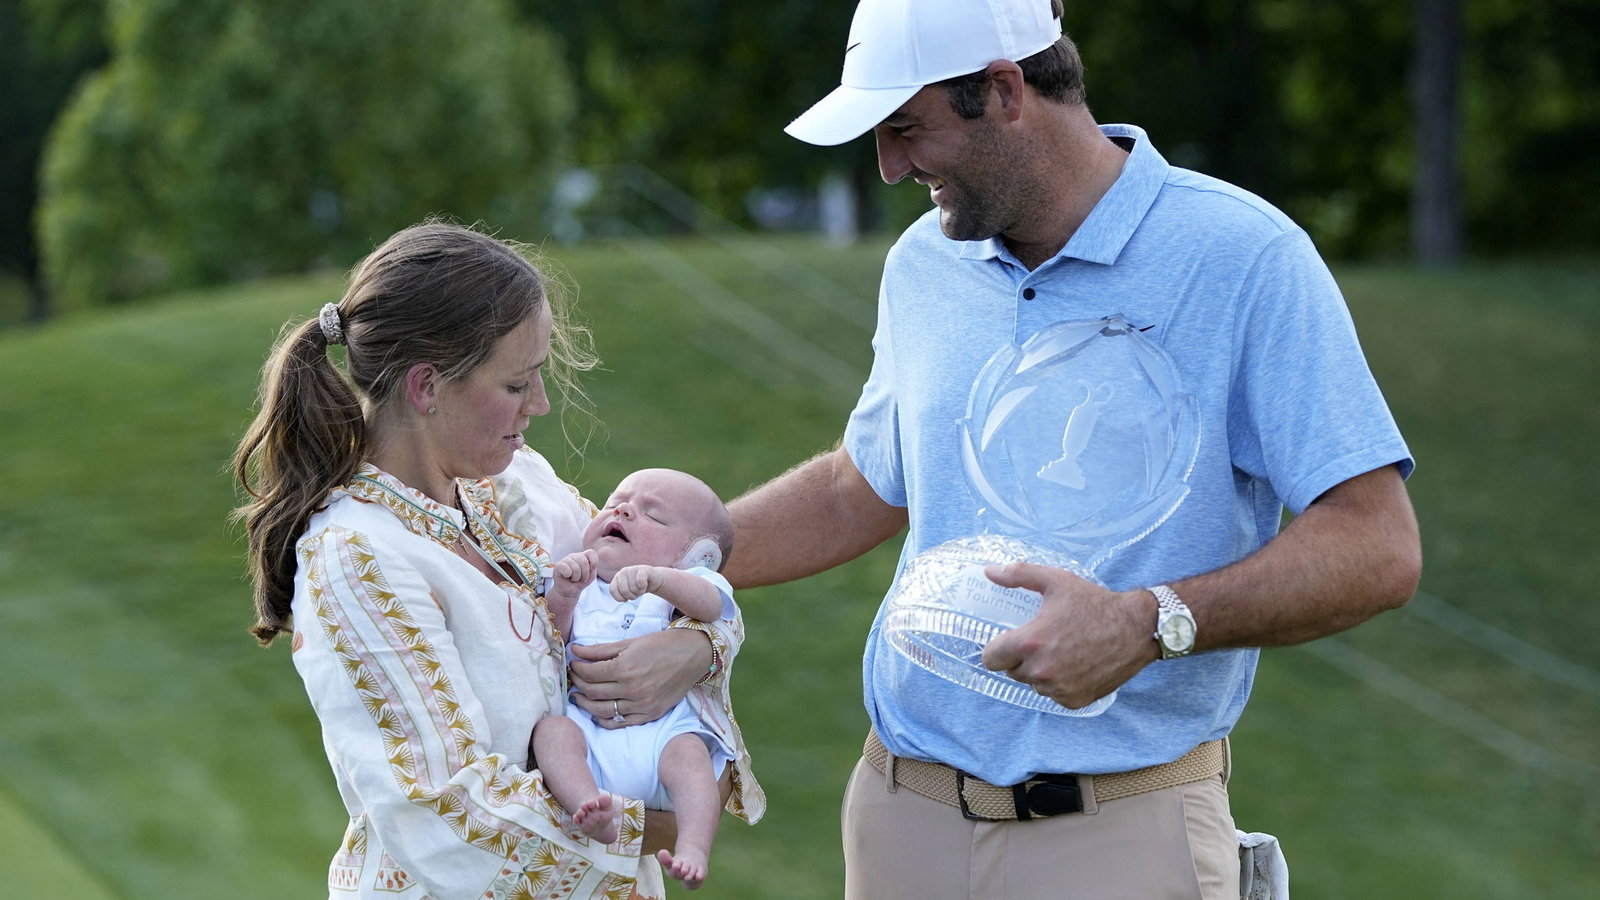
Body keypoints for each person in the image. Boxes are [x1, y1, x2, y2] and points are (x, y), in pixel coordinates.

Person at [723, 1, 1422, 898]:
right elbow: (864, 486)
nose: (891, 167)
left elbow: (1378, 544)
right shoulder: (924, 263)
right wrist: (677, 552)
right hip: (901, 820)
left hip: (1125, 836)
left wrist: (1150, 620)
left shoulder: (1244, 257)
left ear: (1006, 91)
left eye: (906, 129)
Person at [232, 222, 754, 900]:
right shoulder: (359, 557)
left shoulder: (517, 487)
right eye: (517, 384)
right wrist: (665, 825)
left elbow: (670, 584)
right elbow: (449, 821)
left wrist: (701, 647)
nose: (538, 405)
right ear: (426, 387)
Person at [533, 468, 758, 890]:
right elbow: (552, 642)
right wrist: (562, 598)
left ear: (698, 556)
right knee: (553, 733)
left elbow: (713, 607)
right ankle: (588, 805)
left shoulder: (686, 584)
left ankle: (693, 845)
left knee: (691, 758)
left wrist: (662, 580)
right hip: (590, 734)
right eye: (616, 500)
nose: (623, 510)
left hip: (662, 736)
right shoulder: (584, 583)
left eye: (653, 516)